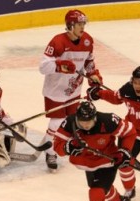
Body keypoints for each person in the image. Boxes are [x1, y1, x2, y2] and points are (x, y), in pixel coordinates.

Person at [53, 101, 137, 201]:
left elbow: (130, 131)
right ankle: (118, 200)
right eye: (82, 121)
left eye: (89, 121)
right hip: (86, 163)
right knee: (102, 190)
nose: (85, 125)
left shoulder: (108, 120)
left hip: (107, 161)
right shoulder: (69, 122)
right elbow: (57, 146)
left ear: (95, 118)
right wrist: (67, 147)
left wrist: (124, 151)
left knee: (96, 193)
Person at [39, 9, 103, 171]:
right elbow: (43, 66)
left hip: (74, 89)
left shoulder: (87, 40)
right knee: (56, 122)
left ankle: (63, 144)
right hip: (55, 90)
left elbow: (89, 61)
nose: (83, 27)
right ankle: (50, 152)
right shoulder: (58, 42)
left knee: (71, 121)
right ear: (70, 25)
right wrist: (61, 66)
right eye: (79, 24)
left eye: (83, 23)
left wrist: (93, 74)